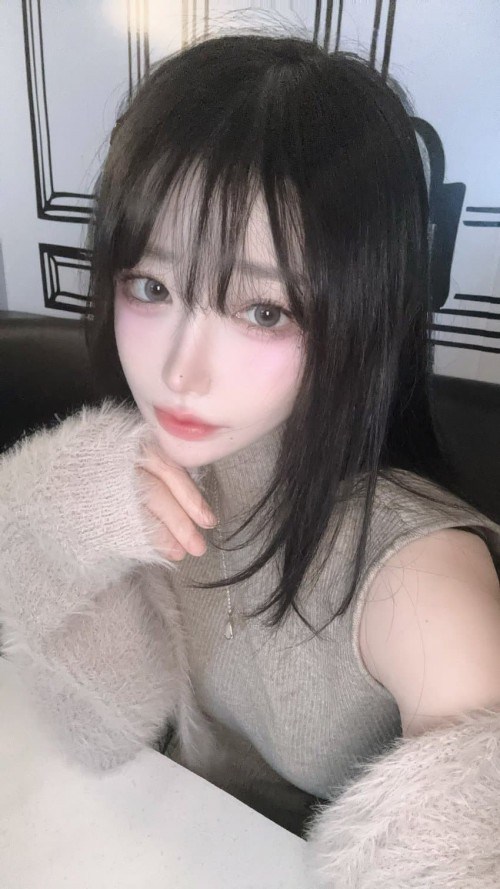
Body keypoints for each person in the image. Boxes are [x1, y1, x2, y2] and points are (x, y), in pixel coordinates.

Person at [1, 32, 500, 886]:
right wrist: (50, 509)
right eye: (152, 287)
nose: (182, 371)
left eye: (263, 310)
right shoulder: (157, 476)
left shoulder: (420, 581)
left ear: (361, 309)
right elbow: (96, 724)